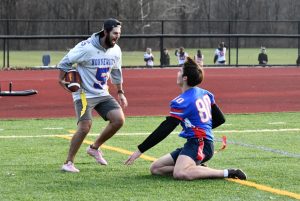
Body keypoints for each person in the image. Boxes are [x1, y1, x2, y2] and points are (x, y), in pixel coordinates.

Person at [125, 57, 247, 181]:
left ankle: (228, 172)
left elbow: (166, 127)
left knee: (180, 173)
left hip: (200, 144)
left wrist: (140, 150)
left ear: (185, 78)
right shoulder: (205, 93)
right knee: (156, 168)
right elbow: (220, 119)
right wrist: (200, 129)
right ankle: (196, 168)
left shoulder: (182, 101)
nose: (177, 73)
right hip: (197, 143)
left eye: (180, 71)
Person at [58, 18, 128, 173]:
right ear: (105, 32)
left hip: (102, 93)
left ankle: (94, 148)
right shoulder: (86, 47)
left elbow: (116, 72)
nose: (117, 36)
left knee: (118, 120)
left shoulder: (116, 50)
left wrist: (120, 92)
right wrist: (61, 79)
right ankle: (68, 163)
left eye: (119, 33)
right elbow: (65, 62)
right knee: (84, 127)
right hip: (83, 94)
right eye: (115, 33)